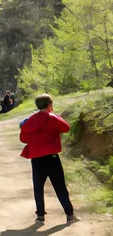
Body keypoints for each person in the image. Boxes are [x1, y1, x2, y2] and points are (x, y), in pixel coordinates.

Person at [18, 93, 75, 224]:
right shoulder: (53, 118)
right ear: (50, 105)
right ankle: (69, 215)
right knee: (59, 186)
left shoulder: (30, 119)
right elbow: (66, 128)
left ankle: (40, 216)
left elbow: (23, 139)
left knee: (38, 187)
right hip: (52, 158)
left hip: (36, 159)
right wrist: (56, 116)